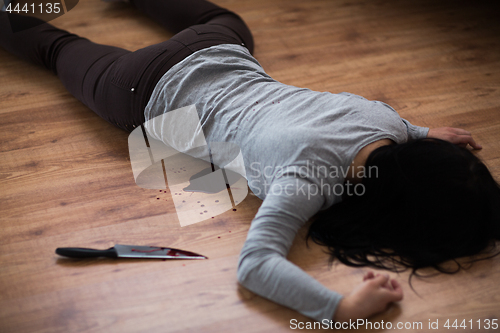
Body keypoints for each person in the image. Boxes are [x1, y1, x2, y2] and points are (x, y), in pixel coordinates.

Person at [1, 0, 499, 323]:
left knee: (215, 17)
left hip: (217, 44)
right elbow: (255, 266)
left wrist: (423, 131)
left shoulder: (385, 120)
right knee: (54, 47)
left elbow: (399, 134)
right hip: (140, 87)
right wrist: (340, 308)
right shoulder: (306, 181)